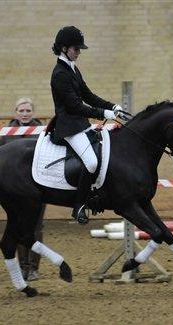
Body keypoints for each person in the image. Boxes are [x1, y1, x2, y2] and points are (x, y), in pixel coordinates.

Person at [49, 25, 123, 223]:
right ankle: (79, 205)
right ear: (64, 48)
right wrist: (103, 113)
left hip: (80, 124)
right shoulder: (59, 74)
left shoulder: (72, 69)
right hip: (68, 126)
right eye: (76, 48)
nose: (79, 52)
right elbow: (74, 106)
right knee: (91, 162)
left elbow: (87, 95)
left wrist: (112, 106)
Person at [0, 97, 45, 281]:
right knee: (18, 227)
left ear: (33, 112)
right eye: (21, 110)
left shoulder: (41, 132)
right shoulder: (7, 133)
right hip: (15, 190)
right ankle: (23, 266)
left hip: (38, 188)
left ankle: (33, 268)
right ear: (15, 112)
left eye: (28, 111)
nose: (24, 114)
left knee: (36, 227)